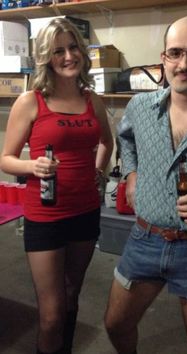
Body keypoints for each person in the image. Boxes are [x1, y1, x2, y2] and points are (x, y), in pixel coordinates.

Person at [104, 15, 187, 354]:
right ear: (163, 58)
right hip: (144, 239)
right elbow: (127, 140)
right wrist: (132, 173)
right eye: (175, 53)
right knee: (115, 324)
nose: (184, 63)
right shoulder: (141, 107)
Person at [0, 18, 113, 354]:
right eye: (58, 50)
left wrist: (98, 171)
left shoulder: (92, 100)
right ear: (47, 57)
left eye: (73, 47)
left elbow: (106, 141)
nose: (68, 56)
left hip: (85, 211)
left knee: (71, 296)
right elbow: (5, 158)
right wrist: (32, 166)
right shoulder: (31, 101)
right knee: (50, 315)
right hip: (45, 216)